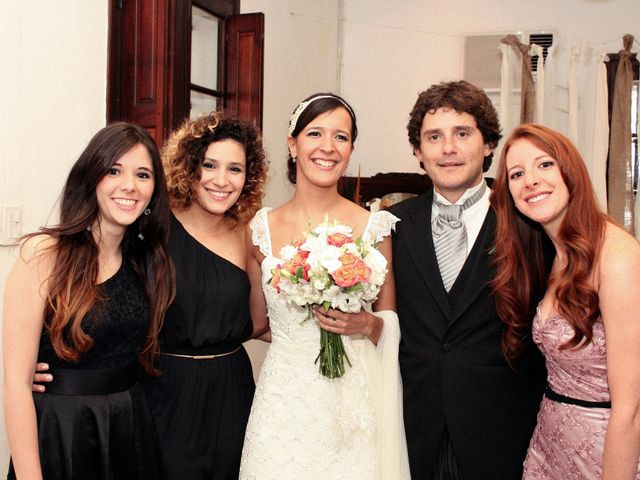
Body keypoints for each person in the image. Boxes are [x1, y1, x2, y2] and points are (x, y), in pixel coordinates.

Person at [31, 113, 269, 480]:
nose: (222, 180)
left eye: (235, 169)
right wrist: (57, 366)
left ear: (248, 177)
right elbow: (104, 296)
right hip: (159, 389)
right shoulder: (148, 229)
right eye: (209, 165)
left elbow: (260, 322)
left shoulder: (250, 236)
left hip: (229, 392)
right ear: (189, 167)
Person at [239, 93, 410, 479]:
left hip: (351, 405)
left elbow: (389, 324)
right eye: (315, 133)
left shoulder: (374, 226)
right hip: (282, 403)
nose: (328, 147)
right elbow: (256, 324)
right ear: (292, 144)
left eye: (341, 137)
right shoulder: (258, 229)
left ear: (350, 149)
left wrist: (365, 326)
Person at [388, 80, 547, 479]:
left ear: (489, 144)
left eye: (462, 133)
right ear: (417, 151)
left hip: (504, 434)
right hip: (416, 433)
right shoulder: (393, 228)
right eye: (434, 137)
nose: (448, 148)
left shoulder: (529, 222)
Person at [3, 122, 174, 479]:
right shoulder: (44, 253)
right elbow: (16, 384)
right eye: (114, 170)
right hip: (61, 432)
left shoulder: (146, 260)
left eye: (143, 174)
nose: (129, 185)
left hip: (129, 429)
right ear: (91, 177)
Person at [491, 123, 640, 479]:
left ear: (570, 171)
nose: (530, 181)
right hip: (548, 445)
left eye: (545, 165)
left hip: (603, 451)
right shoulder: (551, 254)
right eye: (517, 174)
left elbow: (631, 410)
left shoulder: (617, 257)